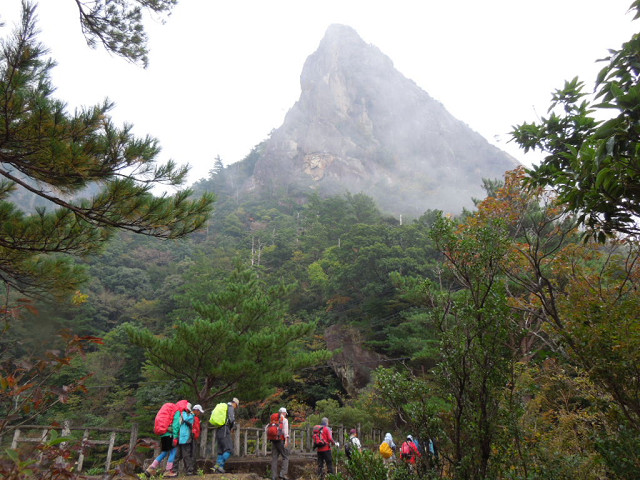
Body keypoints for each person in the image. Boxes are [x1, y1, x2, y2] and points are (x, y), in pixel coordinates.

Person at [145, 400, 189, 477]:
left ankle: (151, 468)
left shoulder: (172, 409)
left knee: (164, 452)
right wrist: (175, 437)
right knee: (173, 452)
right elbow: (176, 425)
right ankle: (168, 471)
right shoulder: (177, 411)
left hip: (164, 434)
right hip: (170, 434)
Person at [213, 397, 239, 474]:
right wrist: (232, 427)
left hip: (219, 429)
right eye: (236, 406)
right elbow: (231, 419)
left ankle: (218, 469)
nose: (235, 407)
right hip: (225, 429)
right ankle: (219, 465)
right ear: (235, 403)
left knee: (221, 450)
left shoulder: (224, 407)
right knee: (229, 449)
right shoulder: (230, 407)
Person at [270, 407, 290, 480]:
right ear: (284, 413)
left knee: (274, 458)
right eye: (285, 413)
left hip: (273, 440)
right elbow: (285, 431)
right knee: (286, 456)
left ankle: (273, 476)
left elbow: (267, 428)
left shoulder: (273, 420)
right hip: (281, 440)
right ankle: (283, 474)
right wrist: (286, 441)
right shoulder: (284, 420)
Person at [190, 404, 204, 470]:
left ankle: (192, 468)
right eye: (199, 411)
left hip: (194, 437)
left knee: (193, 454)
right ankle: (191, 469)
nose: (199, 413)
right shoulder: (192, 418)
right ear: (196, 410)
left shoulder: (196, 418)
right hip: (192, 438)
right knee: (192, 454)